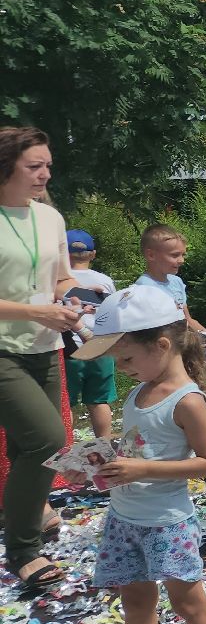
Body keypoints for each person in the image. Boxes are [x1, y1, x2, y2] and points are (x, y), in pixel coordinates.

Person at [74, 285, 206, 624]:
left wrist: (140, 467)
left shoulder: (187, 400)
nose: (120, 370)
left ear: (161, 345)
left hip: (166, 523)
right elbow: (140, 445)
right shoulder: (140, 392)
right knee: (136, 600)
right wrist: (106, 460)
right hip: (125, 517)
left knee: (188, 601)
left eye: (125, 359)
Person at [0, 126, 80, 595]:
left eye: (47, 164)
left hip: (44, 347)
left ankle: (21, 513)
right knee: (49, 440)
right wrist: (38, 310)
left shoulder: (50, 218)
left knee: (33, 448)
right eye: (35, 165)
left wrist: (78, 302)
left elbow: (62, 280)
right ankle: (25, 550)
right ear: (6, 166)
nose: (46, 173)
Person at [63, 231, 119, 439]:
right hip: (101, 346)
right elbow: (114, 312)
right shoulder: (104, 281)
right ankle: (103, 446)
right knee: (98, 401)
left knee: (65, 402)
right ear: (93, 254)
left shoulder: (61, 280)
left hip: (69, 349)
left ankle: (65, 446)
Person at [135, 225, 206, 339]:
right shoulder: (143, 287)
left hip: (182, 345)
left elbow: (187, 319)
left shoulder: (176, 282)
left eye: (183, 255)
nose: (181, 260)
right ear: (151, 255)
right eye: (175, 255)